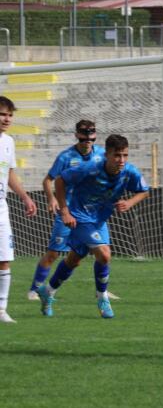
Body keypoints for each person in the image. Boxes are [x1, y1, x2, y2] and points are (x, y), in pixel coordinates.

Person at [37, 134, 150, 319]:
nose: (121, 160)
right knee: (104, 255)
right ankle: (102, 297)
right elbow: (59, 180)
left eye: (125, 155)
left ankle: (47, 291)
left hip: (98, 220)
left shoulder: (130, 172)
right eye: (117, 155)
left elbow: (144, 191)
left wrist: (130, 202)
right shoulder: (90, 169)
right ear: (106, 154)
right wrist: (64, 211)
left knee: (74, 260)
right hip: (79, 217)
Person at [27, 120, 120, 302]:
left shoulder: (101, 154)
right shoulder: (66, 157)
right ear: (77, 135)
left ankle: (101, 291)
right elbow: (48, 180)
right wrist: (52, 198)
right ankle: (34, 290)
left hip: (92, 213)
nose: (88, 138)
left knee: (101, 252)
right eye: (84, 134)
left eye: (91, 134)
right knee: (54, 253)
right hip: (68, 211)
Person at [0, 96, 38, 323]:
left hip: (1, 206)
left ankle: (1, 310)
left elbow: (10, 173)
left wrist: (25, 197)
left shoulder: (9, 142)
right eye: (3, 114)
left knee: (4, 258)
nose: (7, 119)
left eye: (10, 115)